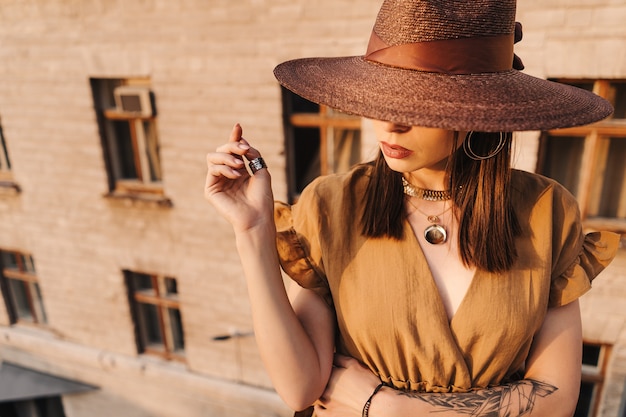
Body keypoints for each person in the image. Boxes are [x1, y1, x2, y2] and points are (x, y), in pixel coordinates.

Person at [205, 0, 620, 416]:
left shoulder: (546, 213)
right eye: (382, 98)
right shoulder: (332, 204)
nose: (390, 123)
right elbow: (300, 388)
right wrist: (252, 230)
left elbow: (557, 399)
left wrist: (389, 407)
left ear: (483, 110)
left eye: (419, 105)